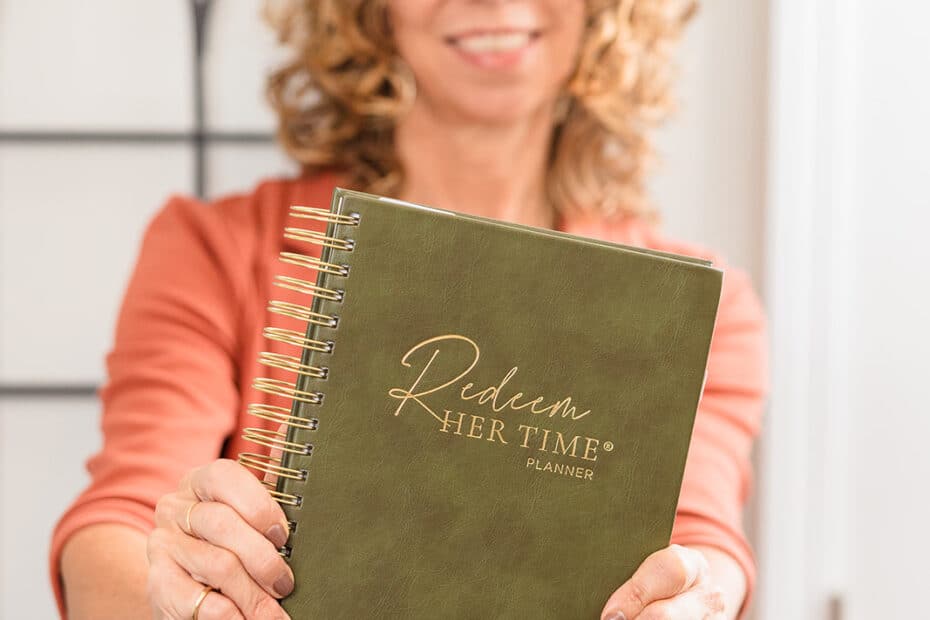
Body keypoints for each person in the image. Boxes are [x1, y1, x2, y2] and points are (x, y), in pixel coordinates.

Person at [51, 1, 768, 618]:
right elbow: (117, 524)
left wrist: (701, 592)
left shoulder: (705, 310)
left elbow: (704, 544)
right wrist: (163, 583)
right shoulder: (214, 251)